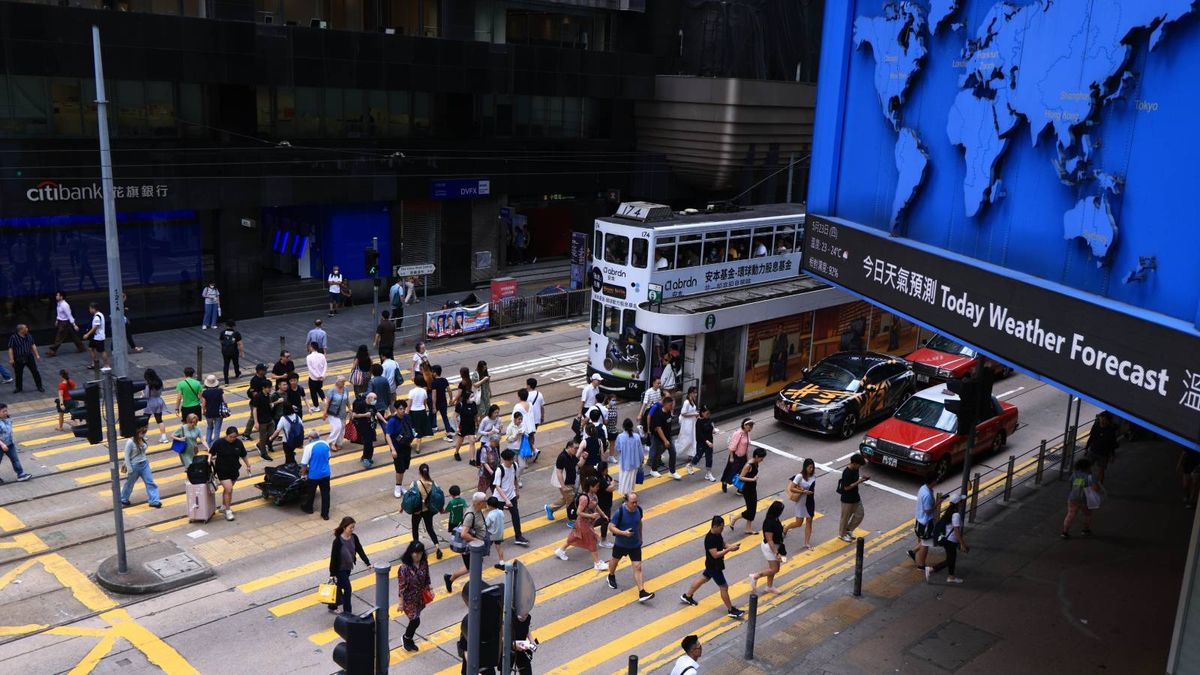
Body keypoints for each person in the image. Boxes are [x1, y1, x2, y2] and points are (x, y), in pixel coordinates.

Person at [680, 516, 745, 618]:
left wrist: (731, 546)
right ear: (715, 526)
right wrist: (729, 550)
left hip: (712, 565)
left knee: (703, 579)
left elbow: (723, 544)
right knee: (724, 587)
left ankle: (687, 596)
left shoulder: (717, 534)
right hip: (714, 566)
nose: (722, 529)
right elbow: (715, 554)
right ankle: (730, 610)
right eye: (721, 527)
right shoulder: (709, 539)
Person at [604, 492, 654, 601]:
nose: (635, 504)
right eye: (633, 502)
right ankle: (611, 575)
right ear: (626, 502)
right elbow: (611, 527)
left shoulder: (639, 510)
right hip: (621, 544)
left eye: (636, 502)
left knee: (638, 567)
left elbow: (639, 523)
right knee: (614, 561)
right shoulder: (620, 512)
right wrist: (624, 533)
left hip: (635, 545)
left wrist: (640, 537)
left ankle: (642, 592)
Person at [555, 477, 605, 570]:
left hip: (588, 523)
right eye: (596, 486)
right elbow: (578, 512)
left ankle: (560, 550)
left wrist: (603, 515)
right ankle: (597, 563)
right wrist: (591, 516)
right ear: (591, 487)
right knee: (592, 542)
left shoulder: (593, 495)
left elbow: (595, 505)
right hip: (583, 523)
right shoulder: (584, 498)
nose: (598, 488)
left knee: (574, 537)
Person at [444, 492, 489, 592]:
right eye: (485, 501)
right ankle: (473, 588)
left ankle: (451, 578)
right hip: (470, 548)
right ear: (479, 503)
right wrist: (476, 541)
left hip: (476, 545)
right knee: (473, 567)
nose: (487, 502)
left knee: (472, 566)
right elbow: (463, 534)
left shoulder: (478, 510)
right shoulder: (470, 515)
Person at [327, 516, 371, 612]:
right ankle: (348, 612)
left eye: (353, 527)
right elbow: (333, 558)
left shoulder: (354, 537)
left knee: (338, 587)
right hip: (339, 570)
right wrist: (332, 574)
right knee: (347, 589)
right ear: (344, 528)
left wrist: (367, 562)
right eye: (350, 527)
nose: (352, 529)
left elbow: (360, 550)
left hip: (348, 568)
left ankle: (332, 606)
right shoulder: (337, 541)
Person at [209, 426, 252, 521]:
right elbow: (211, 453)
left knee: (227, 490)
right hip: (222, 470)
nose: (233, 439)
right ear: (227, 435)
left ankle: (224, 506)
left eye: (235, 437)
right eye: (231, 437)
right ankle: (228, 511)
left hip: (234, 470)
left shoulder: (238, 443)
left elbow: (243, 454)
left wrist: (248, 465)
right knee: (229, 489)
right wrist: (208, 462)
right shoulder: (219, 443)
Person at [397, 541, 432, 652]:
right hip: (409, 599)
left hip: (419, 597)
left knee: (415, 620)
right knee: (415, 620)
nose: (417, 556)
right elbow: (401, 587)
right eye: (415, 553)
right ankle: (406, 638)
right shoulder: (404, 568)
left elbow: (427, 577)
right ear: (410, 553)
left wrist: (430, 588)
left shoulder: (423, 563)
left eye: (420, 553)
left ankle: (409, 639)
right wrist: (401, 603)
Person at [492, 449, 530, 546]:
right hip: (500, 498)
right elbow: (497, 486)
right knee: (498, 518)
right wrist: (506, 500)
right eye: (510, 460)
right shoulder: (499, 470)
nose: (512, 461)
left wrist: (517, 490)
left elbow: (515, 478)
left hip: (511, 495)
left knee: (516, 516)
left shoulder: (514, 465)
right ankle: (496, 537)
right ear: (504, 460)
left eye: (512, 459)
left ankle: (518, 536)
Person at [749, 501, 786, 594]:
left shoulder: (775, 518)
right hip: (770, 547)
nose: (782, 512)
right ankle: (755, 576)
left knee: (774, 568)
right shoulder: (769, 523)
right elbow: (770, 540)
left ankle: (769, 587)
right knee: (774, 569)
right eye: (781, 511)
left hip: (776, 545)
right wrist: (776, 553)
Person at [119, 425, 160, 507]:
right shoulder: (130, 442)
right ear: (137, 432)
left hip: (144, 464)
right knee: (129, 484)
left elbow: (143, 451)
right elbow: (126, 456)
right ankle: (123, 499)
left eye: (144, 432)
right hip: (134, 466)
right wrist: (129, 468)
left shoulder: (143, 439)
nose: (144, 434)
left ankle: (154, 501)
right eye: (142, 432)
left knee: (150, 482)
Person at [410, 463, 445, 559]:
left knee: (415, 529)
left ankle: (416, 548)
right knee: (430, 529)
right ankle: (437, 547)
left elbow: (409, 497)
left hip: (417, 511)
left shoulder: (414, 484)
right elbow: (439, 496)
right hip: (428, 510)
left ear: (419, 472)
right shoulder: (433, 483)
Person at [911, 473, 942, 578]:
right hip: (926, 522)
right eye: (936, 479)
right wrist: (938, 503)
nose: (937, 481)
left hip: (919, 520)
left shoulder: (923, 488)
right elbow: (928, 510)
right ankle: (921, 565)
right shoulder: (928, 495)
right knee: (926, 543)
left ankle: (914, 554)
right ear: (933, 481)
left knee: (921, 540)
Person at [730, 448, 767, 536]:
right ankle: (734, 518)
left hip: (752, 487)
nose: (762, 460)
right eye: (761, 458)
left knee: (752, 508)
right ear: (757, 456)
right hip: (747, 489)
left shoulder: (756, 462)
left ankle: (748, 528)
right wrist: (752, 479)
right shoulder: (748, 465)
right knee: (751, 509)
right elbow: (741, 477)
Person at [1062, 457, 1100, 539]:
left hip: (1073, 498)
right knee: (1087, 515)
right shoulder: (1090, 476)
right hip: (1085, 500)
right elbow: (1096, 488)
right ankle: (1085, 530)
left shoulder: (1074, 474)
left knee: (1070, 514)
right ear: (1088, 467)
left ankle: (1064, 532)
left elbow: (1071, 484)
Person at [546, 440, 584, 521]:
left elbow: (579, 464)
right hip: (564, 482)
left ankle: (550, 508)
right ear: (569, 447)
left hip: (570, 481)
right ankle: (571, 520)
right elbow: (559, 472)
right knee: (570, 501)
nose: (577, 450)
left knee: (567, 498)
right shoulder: (562, 457)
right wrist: (563, 486)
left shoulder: (571, 455)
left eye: (578, 448)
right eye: (575, 448)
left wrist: (584, 457)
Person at [784, 458, 817, 550]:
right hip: (801, 501)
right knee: (799, 523)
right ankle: (786, 528)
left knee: (809, 521)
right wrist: (803, 491)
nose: (811, 469)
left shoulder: (814, 476)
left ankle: (806, 542)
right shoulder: (799, 476)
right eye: (810, 467)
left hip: (810, 501)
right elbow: (791, 488)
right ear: (805, 467)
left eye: (812, 467)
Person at [386, 399, 416, 498]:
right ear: (396, 409)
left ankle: (400, 485)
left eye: (404, 409)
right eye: (400, 409)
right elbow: (388, 435)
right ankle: (397, 487)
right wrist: (393, 449)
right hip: (397, 448)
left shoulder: (407, 417)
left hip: (406, 446)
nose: (403, 411)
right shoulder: (392, 421)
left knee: (404, 468)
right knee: (399, 469)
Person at [301, 429, 333, 519]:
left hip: (314, 475)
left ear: (311, 438)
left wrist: (303, 475)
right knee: (326, 494)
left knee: (311, 493)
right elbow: (328, 457)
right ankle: (325, 514)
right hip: (326, 474)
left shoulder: (308, 447)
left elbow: (304, 464)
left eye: (308, 437)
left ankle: (309, 508)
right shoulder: (325, 444)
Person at [838, 454, 870, 542]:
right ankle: (842, 534)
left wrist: (862, 478)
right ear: (854, 463)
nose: (860, 466)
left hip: (856, 497)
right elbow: (846, 487)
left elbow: (855, 480)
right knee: (845, 518)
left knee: (860, 514)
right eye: (859, 464)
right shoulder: (847, 472)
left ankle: (849, 530)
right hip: (847, 499)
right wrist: (859, 481)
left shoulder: (856, 469)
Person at [938, 494, 968, 584]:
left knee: (951, 559)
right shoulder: (956, 515)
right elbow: (956, 531)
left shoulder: (949, 512)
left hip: (947, 539)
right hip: (951, 541)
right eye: (961, 502)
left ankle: (951, 577)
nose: (963, 503)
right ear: (958, 503)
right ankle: (931, 569)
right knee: (951, 559)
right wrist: (962, 544)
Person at [648, 395, 679, 480]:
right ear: (665, 404)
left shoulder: (668, 412)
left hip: (668, 436)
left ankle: (672, 471)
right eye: (670, 405)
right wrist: (665, 441)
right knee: (657, 454)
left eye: (672, 405)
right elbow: (658, 428)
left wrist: (668, 438)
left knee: (673, 452)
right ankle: (653, 470)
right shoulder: (658, 414)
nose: (672, 407)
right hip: (659, 438)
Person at [6, 324, 43, 394]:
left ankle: (39, 386)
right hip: (18, 358)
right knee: (18, 373)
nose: (27, 329)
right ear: (20, 330)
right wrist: (11, 359)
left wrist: (37, 355)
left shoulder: (29, 336)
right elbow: (10, 348)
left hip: (29, 357)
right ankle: (19, 388)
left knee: (35, 371)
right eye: (25, 328)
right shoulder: (13, 338)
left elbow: (33, 345)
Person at [0, 404, 32, 482]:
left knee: (15, 459)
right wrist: (2, 444)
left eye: (6, 410)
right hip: (1, 445)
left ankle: (21, 474)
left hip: (10, 444)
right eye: (3, 411)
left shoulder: (8, 419)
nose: (6, 412)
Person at [47, 291, 85, 357]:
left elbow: (69, 315)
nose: (56, 296)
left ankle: (52, 351)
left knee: (59, 337)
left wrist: (74, 325)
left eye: (57, 295)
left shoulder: (65, 305)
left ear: (61, 297)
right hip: (62, 322)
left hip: (64, 323)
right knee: (73, 335)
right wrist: (57, 320)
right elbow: (59, 313)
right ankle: (81, 347)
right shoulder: (59, 303)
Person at [1086, 411, 1119, 484]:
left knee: (1101, 470)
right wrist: (1086, 448)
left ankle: (1099, 485)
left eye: (1104, 420)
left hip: (1103, 454)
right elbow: (1091, 437)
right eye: (1101, 419)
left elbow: (1112, 443)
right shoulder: (1096, 426)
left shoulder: (1111, 430)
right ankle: (1089, 481)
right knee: (1086, 467)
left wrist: (1112, 455)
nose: (1102, 421)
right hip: (1093, 450)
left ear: (1108, 421)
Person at [721, 418, 752, 493]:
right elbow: (733, 446)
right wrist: (731, 457)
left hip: (743, 457)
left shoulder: (746, 433)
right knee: (732, 472)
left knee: (743, 473)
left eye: (752, 426)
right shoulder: (738, 434)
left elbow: (746, 447)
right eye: (750, 425)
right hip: (736, 457)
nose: (751, 427)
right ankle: (725, 482)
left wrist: (747, 459)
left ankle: (740, 488)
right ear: (744, 425)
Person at [351, 391, 380, 467]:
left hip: (371, 427)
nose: (375, 400)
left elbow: (376, 412)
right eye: (374, 399)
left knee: (369, 443)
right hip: (363, 426)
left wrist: (385, 421)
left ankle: (365, 457)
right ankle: (366, 459)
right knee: (368, 443)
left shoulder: (372, 404)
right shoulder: (361, 404)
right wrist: (365, 415)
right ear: (369, 398)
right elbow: (354, 415)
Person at [688, 406, 717, 482]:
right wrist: (706, 441)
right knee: (698, 456)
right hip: (702, 443)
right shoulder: (699, 422)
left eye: (709, 414)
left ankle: (708, 473)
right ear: (702, 413)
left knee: (709, 458)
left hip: (710, 442)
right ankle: (690, 465)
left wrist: (713, 429)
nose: (708, 415)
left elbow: (711, 427)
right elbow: (700, 435)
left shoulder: (709, 419)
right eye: (707, 414)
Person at [616, 419, 644, 494]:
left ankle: (625, 493)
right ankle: (630, 493)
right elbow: (640, 451)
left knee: (624, 479)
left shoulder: (620, 436)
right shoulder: (637, 436)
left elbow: (618, 449)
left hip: (624, 462)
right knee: (631, 479)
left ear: (623, 426)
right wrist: (641, 461)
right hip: (635, 462)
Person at [452, 383, 478, 463]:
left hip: (471, 426)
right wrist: (457, 427)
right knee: (460, 442)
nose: (473, 398)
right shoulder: (460, 405)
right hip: (462, 426)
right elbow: (455, 416)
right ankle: (456, 452)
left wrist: (477, 423)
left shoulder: (473, 404)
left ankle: (472, 459)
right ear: (467, 398)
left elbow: (475, 415)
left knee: (472, 442)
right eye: (471, 397)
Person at [243, 363, 270, 440]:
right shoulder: (254, 380)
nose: (266, 371)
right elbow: (254, 393)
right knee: (253, 418)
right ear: (260, 371)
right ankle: (246, 434)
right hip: (255, 403)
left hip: (263, 401)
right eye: (264, 370)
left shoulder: (263, 377)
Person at [408, 373, 432, 455]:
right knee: (419, 429)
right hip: (421, 411)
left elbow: (409, 404)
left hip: (413, 412)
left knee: (412, 428)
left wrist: (406, 413)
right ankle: (418, 447)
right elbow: (424, 403)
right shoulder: (424, 391)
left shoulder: (411, 392)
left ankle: (408, 443)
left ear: (415, 382)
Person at [249, 381, 275, 460]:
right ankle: (263, 453)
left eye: (271, 387)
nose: (270, 389)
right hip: (262, 421)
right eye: (269, 388)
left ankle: (260, 444)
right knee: (263, 437)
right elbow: (255, 409)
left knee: (272, 433)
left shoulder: (268, 395)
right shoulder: (258, 397)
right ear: (264, 388)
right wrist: (256, 422)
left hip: (269, 418)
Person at [323, 376, 350, 451]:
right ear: (337, 382)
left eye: (344, 382)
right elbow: (327, 402)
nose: (343, 383)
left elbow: (347, 400)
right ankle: (330, 443)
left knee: (342, 428)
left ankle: (339, 443)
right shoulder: (331, 390)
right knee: (337, 427)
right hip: (333, 412)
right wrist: (325, 412)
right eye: (341, 382)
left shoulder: (346, 389)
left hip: (342, 412)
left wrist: (350, 409)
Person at [143, 368, 168, 443]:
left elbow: (146, 395)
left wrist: (142, 394)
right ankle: (164, 437)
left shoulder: (148, 384)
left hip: (150, 402)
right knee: (159, 420)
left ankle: (143, 435)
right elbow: (161, 391)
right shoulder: (159, 382)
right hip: (159, 401)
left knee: (145, 420)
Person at [201, 374, 226, 447]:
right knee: (217, 429)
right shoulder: (220, 391)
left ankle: (208, 444)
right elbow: (224, 401)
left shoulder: (205, 393)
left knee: (209, 427)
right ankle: (215, 445)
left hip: (209, 413)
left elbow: (203, 403)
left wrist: (203, 411)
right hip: (218, 413)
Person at [82, 302, 109, 370]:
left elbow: (95, 327)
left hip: (98, 337)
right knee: (91, 348)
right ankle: (94, 363)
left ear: (93, 309)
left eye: (90, 309)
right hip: (95, 337)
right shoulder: (99, 314)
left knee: (102, 351)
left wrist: (87, 334)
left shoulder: (97, 317)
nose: (89, 310)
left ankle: (106, 365)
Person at [678, 387, 698, 471]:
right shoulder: (686, 402)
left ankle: (691, 455)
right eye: (694, 393)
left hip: (692, 423)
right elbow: (683, 413)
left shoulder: (692, 401)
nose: (696, 394)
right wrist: (694, 414)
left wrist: (695, 414)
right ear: (690, 393)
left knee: (693, 439)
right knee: (687, 439)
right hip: (687, 424)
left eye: (696, 393)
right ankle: (678, 449)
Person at [430, 365, 453, 438]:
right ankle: (448, 431)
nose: (431, 373)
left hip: (437, 403)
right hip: (443, 402)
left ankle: (428, 431)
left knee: (431, 416)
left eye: (432, 372)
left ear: (435, 373)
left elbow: (434, 396)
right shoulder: (444, 380)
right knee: (445, 417)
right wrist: (451, 398)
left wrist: (433, 406)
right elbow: (449, 390)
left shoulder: (434, 382)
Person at [526, 378, 546, 459]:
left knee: (526, 437)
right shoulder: (539, 394)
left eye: (526, 384)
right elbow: (542, 407)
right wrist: (542, 417)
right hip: (537, 419)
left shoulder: (527, 395)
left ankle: (534, 450)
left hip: (529, 419)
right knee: (531, 435)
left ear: (529, 385)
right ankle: (533, 450)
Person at [485, 496, 507, 570]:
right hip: (499, 532)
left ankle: (479, 558)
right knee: (498, 547)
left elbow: (487, 525)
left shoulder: (490, 515)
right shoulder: (500, 511)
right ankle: (502, 562)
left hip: (491, 533)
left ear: (489, 506)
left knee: (485, 544)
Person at [306, 341, 327, 414]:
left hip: (313, 378)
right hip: (321, 378)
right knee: (319, 389)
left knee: (313, 392)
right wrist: (322, 375)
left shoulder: (308, 357)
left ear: (311, 347)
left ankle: (316, 406)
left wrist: (317, 376)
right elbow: (325, 366)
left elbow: (310, 368)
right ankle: (325, 401)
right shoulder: (322, 355)